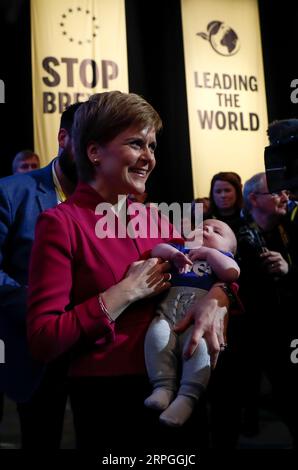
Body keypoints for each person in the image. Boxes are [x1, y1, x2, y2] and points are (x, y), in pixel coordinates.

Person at [27, 91, 231, 451]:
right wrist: (122, 293)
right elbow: (44, 339)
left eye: (151, 145)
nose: (148, 158)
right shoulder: (60, 223)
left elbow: (208, 271)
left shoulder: (154, 216)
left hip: (185, 391)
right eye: (136, 143)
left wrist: (216, 298)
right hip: (114, 401)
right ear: (94, 152)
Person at [0, 102, 82, 449]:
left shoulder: (114, 200)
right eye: (90, 141)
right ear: (63, 138)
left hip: (96, 353)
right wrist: (40, 309)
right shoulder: (11, 191)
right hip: (30, 345)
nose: (98, 154)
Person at [144, 219, 239, 427]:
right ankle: (162, 387)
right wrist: (172, 254)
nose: (206, 229)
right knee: (156, 336)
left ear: (228, 248)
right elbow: (156, 250)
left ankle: (187, 397)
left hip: (198, 318)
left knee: (199, 347)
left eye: (217, 231)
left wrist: (211, 254)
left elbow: (232, 273)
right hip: (167, 312)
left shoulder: (222, 257)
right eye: (202, 226)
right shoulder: (182, 249)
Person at [237, 172, 298, 448]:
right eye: (276, 192)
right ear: (254, 199)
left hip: (288, 327)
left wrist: (289, 271)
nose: (286, 196)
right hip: (253, 329)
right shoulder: (238, 239)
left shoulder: (292, 228)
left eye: (286, 191)